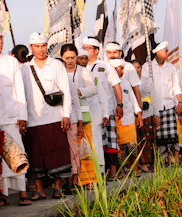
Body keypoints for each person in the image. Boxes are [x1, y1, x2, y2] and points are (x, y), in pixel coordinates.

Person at [21, 33, 72, 199]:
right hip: (33, 118)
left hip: (55, 117)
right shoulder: (25, 68)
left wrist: (66, 114)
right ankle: (39, 190)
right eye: (37, 46)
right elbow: (22, 95)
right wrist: (22, 117)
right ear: (31, 48)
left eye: (43, 46)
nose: (40, 49)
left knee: (58, 154)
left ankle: (57, 188)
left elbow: (65, 90)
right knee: (36, 155)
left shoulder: (56, 65)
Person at [0, 26, 29, 206]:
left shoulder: (11, 62)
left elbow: (19, 89)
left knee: (17, 152)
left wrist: (22, 115)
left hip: (11, 114)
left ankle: (23, 192)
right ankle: (4, 194)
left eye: (1, 38)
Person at [60, 44, 98, 187]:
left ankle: (88, 179)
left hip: (82, 113)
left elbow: (93, 89)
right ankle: (70, 178)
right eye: (67, 58)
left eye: (72, 57)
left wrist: (77, 92)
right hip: (65, 114)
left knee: (85, 147)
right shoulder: (59, 71)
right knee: (69, 148)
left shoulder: (82, 71)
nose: (70, 61)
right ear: (62, 58)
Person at [141, 42, 182, 165]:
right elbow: (143, 88)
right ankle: (159, 161)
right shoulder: (147, 67)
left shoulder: (171, 67)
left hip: (169, 104)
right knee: (158, 136)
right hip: (155, 106)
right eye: (165, 50)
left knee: (172, 135)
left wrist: (179, 102)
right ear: (158, 52)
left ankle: (174, 159)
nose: (168, 52)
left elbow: (176, 86)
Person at [82, 38, 119, 176]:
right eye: (83, 47)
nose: (85, 51)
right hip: (84, 111)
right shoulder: (80, 68)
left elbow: (114, 87)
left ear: (96, 50)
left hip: (104, 109)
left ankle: (105, 171)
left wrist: (118, 105)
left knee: (106, 141)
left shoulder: (104, 66)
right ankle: (90, 173)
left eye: (88, 48)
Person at [110, 59, 142, 178]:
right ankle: (122, 171)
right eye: (120, 68)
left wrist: (138, 113)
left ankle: (134, 169)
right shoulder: (108, 83)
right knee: (120, 148)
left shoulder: (125, 82)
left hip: (128, 118)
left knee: (132, 145)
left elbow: (132, 99)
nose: (122, 71)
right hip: (116, 119)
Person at [133, 60, 157, 172]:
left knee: (150, 139)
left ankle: (152, 162)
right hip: (135, 113)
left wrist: (156, 114)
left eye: (138, 67)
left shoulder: (147, 80)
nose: (136, 69)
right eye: (134, 67)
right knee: (139, 139)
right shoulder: (129, 81)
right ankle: (142, 163)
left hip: (148, 112)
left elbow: (154, 96)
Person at [105, 42, 142, 113]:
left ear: (120, 53)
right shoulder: (104, 66)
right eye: (109, 52)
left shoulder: (129, 67)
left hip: (128, 107)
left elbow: (135, 88)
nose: (112, 55)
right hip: (110, 107)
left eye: (114, 52)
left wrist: (139, 108)